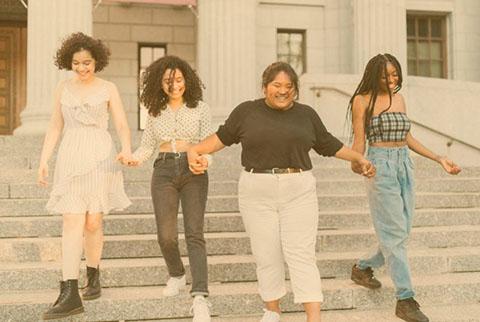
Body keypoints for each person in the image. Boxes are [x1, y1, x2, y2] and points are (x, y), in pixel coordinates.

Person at [187, 61, 375, 322]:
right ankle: (272, 310)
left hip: (298, 189)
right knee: (266, 254)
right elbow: (222, 137)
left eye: (289, 86)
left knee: (301, 253)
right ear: (265, 87)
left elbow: (327, 144)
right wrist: (195, 150)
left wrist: (359, 157)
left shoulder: (306, 114)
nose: (283, 90)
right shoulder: (246, 112)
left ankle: (314, 318)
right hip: (256, 190)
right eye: (277, 85)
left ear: (295, 90)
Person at [347, 53, 461, 322]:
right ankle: (405, 299)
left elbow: (407, 137)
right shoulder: (362, 101)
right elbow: (359, 141)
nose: (391, 79)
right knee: (395, 232)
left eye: (395, 74)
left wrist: (438, 158)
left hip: (403, 165)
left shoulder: (399, 99)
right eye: (386, 75)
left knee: (401, 230)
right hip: (380, 165)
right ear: (374, 75)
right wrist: (358, 163)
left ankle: (363, 268)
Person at [37, 32, 132, 320]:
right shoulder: (63, 88)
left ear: (96, 61)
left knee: (93, 222)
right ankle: (69, 290)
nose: (81, 68)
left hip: (101, 155)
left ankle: (94, 274)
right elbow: (55, 126)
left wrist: (126, 148)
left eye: (87, 62)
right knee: (71, 219)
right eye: (76, 63)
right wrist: (44, 160)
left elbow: (121, 123)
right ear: (69, 62)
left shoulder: (108, 88)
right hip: (71, 154)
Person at [125, 55, 213, 322]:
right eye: (167, 81)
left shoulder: (200, 108)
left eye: (177, 79)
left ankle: (200, 296)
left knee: (194, 234)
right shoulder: (154, 111)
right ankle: (176, 274)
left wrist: (205, 161)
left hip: (193, 170)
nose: (174, 85)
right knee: (166, 236)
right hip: (163, 170)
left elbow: (210, 143)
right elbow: (147, 146)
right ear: (158, 84)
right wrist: (133, 158)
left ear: (186, 79)